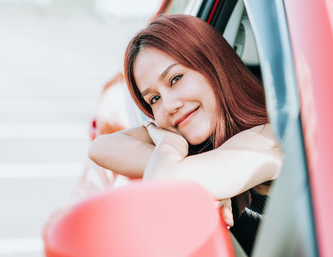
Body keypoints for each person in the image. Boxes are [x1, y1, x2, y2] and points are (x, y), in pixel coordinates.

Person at [88, 14, 283, 255]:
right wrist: (173, 144)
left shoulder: (271, 138)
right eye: (154, 99)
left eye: (176, 79)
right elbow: (100, 148)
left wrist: (170, 148)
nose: (168, 106)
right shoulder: (198, 146)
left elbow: (162, 185)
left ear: (214, 65)